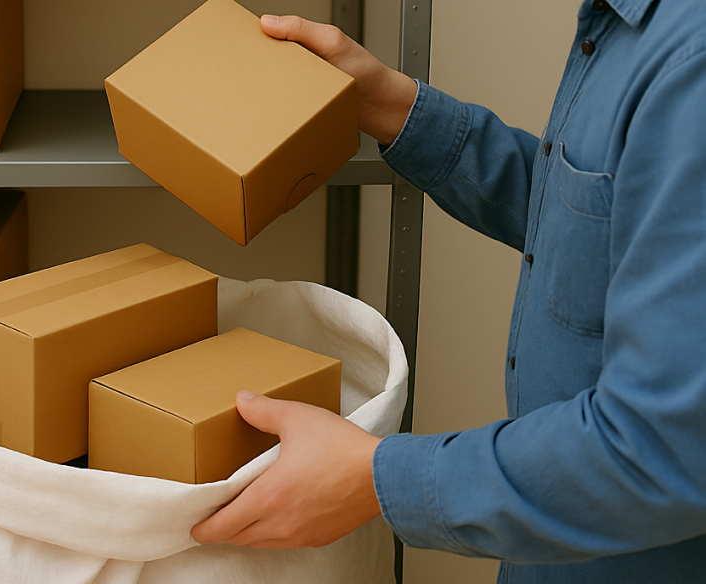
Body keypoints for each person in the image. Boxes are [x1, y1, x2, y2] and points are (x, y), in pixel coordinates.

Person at [192, 1, 706, 581]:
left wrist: (375, 480)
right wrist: (394, 107)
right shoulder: (623, 27)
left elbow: (666, 445)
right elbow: (599, 227)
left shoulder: (691, 61)